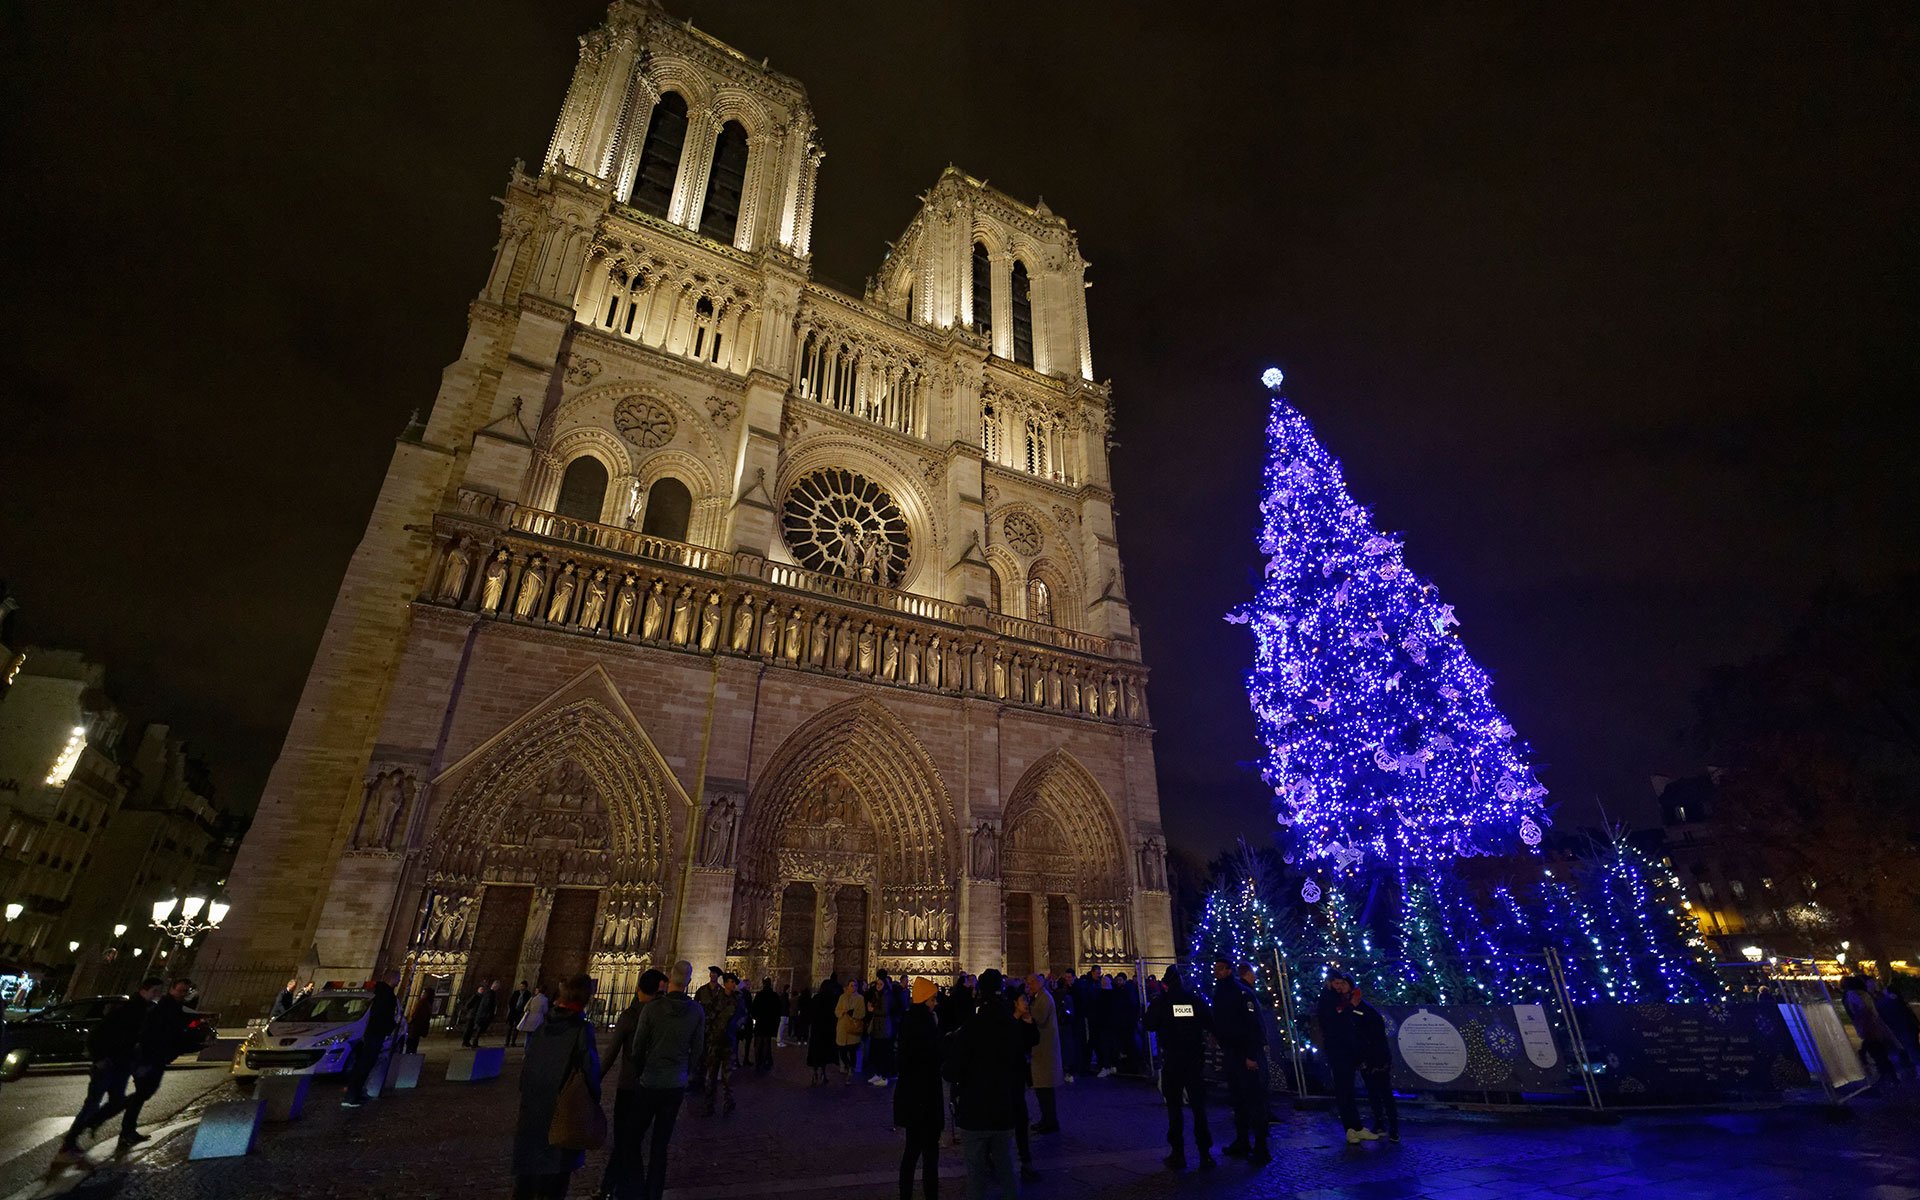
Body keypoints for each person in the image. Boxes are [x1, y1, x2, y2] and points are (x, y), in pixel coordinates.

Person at [50, 978, 163, 1169]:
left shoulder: (142, 1011)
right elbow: (99, 1035)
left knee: (115, 1102)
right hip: (108, 1064)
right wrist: (100, 1058)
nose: (158, 994)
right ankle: (69, 1143)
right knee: (93, 1104)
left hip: (120, 1065)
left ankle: (85, 1128)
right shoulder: (128, 1011)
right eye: (155, 990)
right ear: (144, 990)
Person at [946, 970, 1036, 1200]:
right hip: (1004, 1110)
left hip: (974, 1112)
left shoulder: (970, 1027)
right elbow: (1027, 1049)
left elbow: (951, 1070)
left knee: (976, 1176)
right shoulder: (1011, 1026)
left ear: (979, 993)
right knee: (1007, 1170)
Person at [511, 973, 601, 1200]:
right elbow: (590, 1073)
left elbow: (527, 1070)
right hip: (562, 1113)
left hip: (533, 1112)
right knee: (554, 1182)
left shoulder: (544, 1025)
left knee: (527, 1181)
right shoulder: (581, 1029)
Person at [629, 961, 708, 1200]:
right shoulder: (696, 1011)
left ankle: (632, 1188)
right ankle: (654, 1192)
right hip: (675, 1083)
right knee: (660, 1144)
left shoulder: (652, 1009)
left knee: (633, 1138)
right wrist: (685, 1073)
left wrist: (642, 1072)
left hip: (650, 1080)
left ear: (669, 980)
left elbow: (638, 1047)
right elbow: (698, 1049)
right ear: (689, 982)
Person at [600, 968, 667, 1200]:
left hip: (628, 1086)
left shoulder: (630, 1016)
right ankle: (612, 1185)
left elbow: (610, 1054)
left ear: (638, 988)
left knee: (625, 1140)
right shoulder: (661, 1015)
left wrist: (595, 1080)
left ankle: (623, 1187)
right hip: (651, 1086)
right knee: (633, 1139)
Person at [1143, 966, 1214, 1170]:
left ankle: (1178, 1153)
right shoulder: (1194, 1000)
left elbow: (1148, 1023)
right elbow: (1209, 1021)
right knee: (1199, 1108)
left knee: (1174, 1108)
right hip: (1194, 1059)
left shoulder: (1162, 1002)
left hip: (1173, 1059)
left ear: (1165, 983)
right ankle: (1205, 1153)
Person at [1211, 955, 1271, 1163]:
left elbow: (1254, 1025)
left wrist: (1251, 1055)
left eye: (1220, 968)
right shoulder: (1220, 993)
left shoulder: (1242, 992)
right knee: (1237, 1100)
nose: (1216, 971)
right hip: (1232, 1054)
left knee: (1254, 1101)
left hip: (1247, 1055)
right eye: (1215, 968)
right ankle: (1242, 1141)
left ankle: (1262, 1148)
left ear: (1229, 970)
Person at [896, 978, 945, 1200]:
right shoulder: (927, 1024)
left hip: (910, 1097)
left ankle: (905, 1194)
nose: (935, 1003)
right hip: (926, 1098)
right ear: (925, 999)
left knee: (911, 1151)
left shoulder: (908, 1021)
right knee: (930, 1154)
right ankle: (930, 1195)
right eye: (933, 999)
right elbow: (935, 1057)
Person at [1345, 983, 1398, 1142]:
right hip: (1369, 1058)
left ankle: (1392, 1127)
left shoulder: (1365, 1012)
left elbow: (1374, 1038)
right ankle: (1382, 1123)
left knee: (1383, 1092)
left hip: (1376, 1058)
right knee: (1375, 1092)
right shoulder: (1358, 1011)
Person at [341, 971, 399, 1107]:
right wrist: (391, 1026)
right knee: (364, 1064)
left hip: (369, 1033)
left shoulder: (376, 992)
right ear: (392, 980)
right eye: (398, 979)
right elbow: (384, 1015)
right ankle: (351, 1097)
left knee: (363, 1064)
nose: (398, 982)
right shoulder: (386, 995)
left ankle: (356, 1093)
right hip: (375, 1033)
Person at [1024, 973, 1064, 1134]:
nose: (1029, 987)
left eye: (1031, 983)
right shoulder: (1039, 997)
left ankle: (1049, 1121)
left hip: (1045, 1049)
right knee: (1042, 1088)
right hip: (1041, 1049)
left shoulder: (1044, 998)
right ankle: (1046, 1119)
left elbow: (1038, 1019)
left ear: (1039, 983)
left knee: (1045, 1088)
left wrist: (1025, 1012)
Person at [1843, 976, 1900, 1083]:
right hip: (1874, 1025)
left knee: (1876, 1052)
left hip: (1868, 1026)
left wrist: (1861, 1023)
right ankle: (1890, 1075)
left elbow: (1860, 1010)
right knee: (1878, 1051)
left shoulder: (1852, 994)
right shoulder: (1864, 994)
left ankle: (1888, 1076)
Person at [700, 972, 742, 1115]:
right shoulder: (716, 998)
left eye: (734, 982)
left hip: (729, 1041)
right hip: (715, 1040)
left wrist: (738, 1025)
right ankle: (708, 1104)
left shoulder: (738, 999)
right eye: (730, 982)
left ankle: (728, 1102)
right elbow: (708, 1015)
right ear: (725, 983)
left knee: (727, 1076)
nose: (732, 984)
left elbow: (744, 1016)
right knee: (711, 1074)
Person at [868, 969, 902, 1085]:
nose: (878, 986)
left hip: (884, 1027)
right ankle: (878, 1074)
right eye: (877, 984)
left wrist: (873, 1009)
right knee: (877, 1051)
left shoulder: (887, 995)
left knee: (883, 1052)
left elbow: (885, 1010)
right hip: (878, 1027)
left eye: (880, 984)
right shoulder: (878, 994)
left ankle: (884, 1076)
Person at [807, 977, 840, 1085]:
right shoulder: (832, 999)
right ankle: (823, 1073)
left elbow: (811, 1013)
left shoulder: (816, 998)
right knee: (825, 1054)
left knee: (816, 1052)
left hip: (816, 1029)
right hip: (827, 1030)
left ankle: (814, 1073)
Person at [836, 978, 868, 1083]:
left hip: (853, 1029)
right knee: (842, 1051)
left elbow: (862, 1013)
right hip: (842, 1028)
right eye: (851, 985)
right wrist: (842, 1012)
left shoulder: (860, 998)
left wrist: (853, 1014)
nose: (853, 987)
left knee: (852, 1050)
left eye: (854, 986)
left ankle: (851, 1069)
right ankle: (847, 1065)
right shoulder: (842, 997)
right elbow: (837, 1010)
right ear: (847, 986)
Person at [751, 979, 784, 1072]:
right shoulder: (774, 996)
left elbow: (754, 1009)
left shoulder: (760, 995)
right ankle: (764, 1061)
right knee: (766, 1042)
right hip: (769, 1023)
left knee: (758, 1043)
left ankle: (758, 1062)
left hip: (760, 1021)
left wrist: (756, 1017)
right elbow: (778, 1010)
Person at [461, 979, 497, 1047]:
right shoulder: (476, 996)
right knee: (468, 1029)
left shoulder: (483, 997)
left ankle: (469, 1041)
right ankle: (465, 1041)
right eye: (481, 989)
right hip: (472, 1014)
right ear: (478, 990)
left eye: (483, 990)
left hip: (478, 1014)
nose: (482, 991)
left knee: (472, 1029)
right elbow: (468, 1005)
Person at [405, 987, 434, 1054]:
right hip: (419, 1026)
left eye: (423, 993)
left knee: (411, 1043)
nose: (422, 994)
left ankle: (409, 1056)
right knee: (414, 1043)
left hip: (415, 1025)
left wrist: (411, 1019)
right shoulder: (428, 1003)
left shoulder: (422, 1002)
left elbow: (416, 1014)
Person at [506, 980, 534, 1047]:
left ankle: (513, 1042)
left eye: (523, 986)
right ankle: (507, 1041)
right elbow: (511, 1001)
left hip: (520, 1012)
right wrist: (512, 1008)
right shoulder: (516, 993)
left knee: (517, 1027)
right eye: (521, 986)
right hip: (513, 1011)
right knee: (510, 1027)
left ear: (526, 987)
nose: (521, 987)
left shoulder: (528, 994)